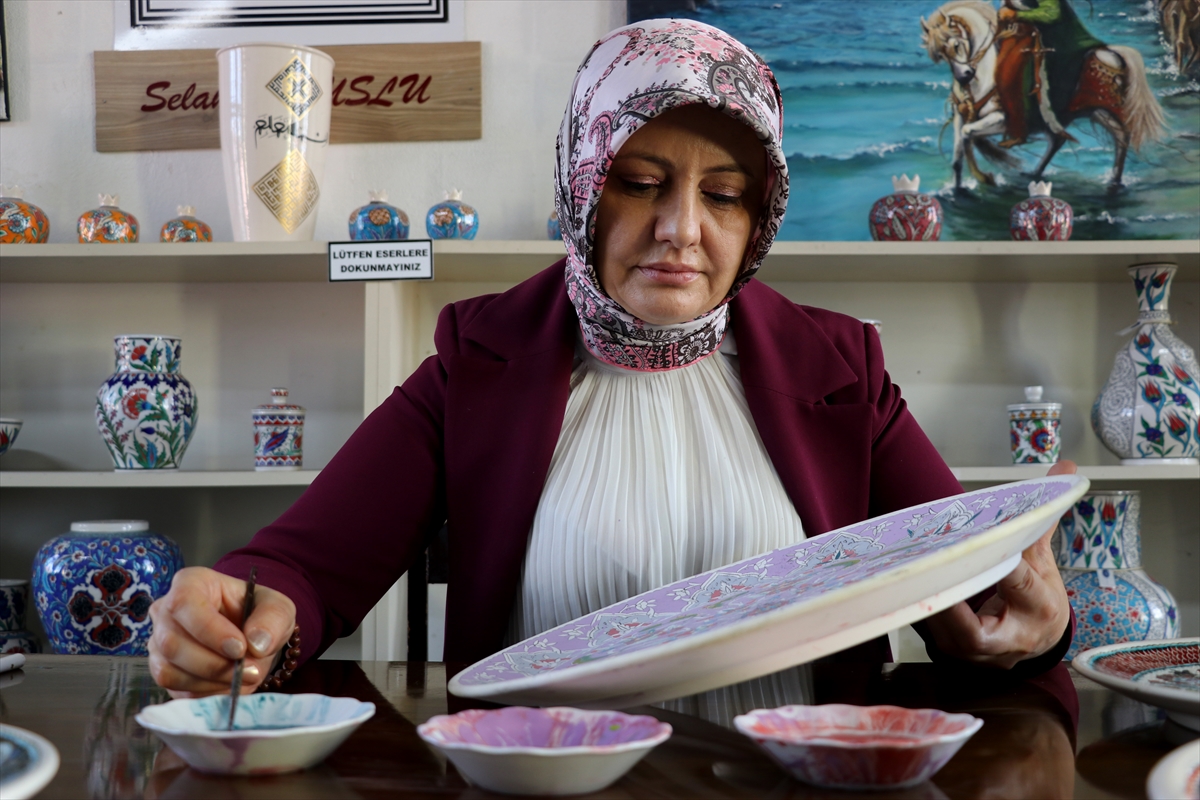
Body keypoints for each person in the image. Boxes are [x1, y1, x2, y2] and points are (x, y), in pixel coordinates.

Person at [147, 19, 1073, 722]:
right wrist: (240, 613)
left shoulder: (838, 368)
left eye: (725, 195)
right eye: (639, 183)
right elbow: (304, 566)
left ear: (762, 216)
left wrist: (1035, 630)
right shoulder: (480, 359)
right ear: (582, 182)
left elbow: (977, 592)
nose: (682, 230)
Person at [995, 0, 1104, 147]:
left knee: (1012, 76)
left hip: (1056, 38)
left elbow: (1051, 13)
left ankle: (1025, 126)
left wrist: (1016, 15)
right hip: (1025, 32)